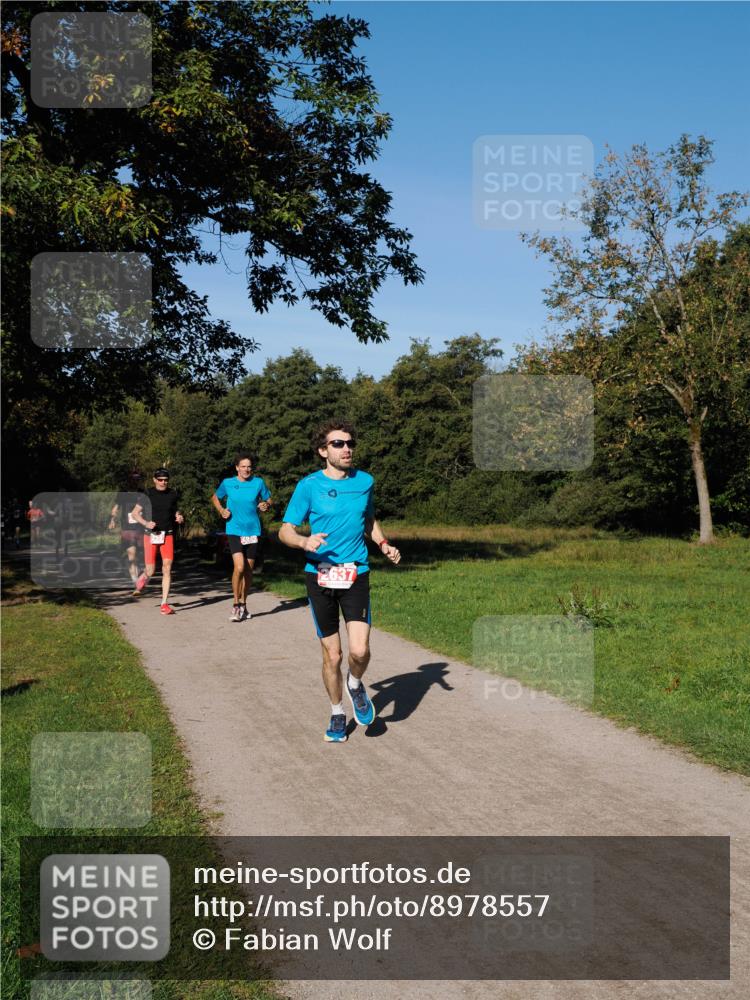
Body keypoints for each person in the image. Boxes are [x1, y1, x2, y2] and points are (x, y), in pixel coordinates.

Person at [279, 420, 400, 743]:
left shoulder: (365, 481)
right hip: (320, 575)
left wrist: (384, 544)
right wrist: (303, 542)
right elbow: (285, 530)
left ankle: (356, 684)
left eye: (349, 443)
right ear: (323, 451)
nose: (346, 449)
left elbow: (369, 519)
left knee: (359, 651)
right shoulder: (308, 486)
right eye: (338, 444)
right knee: (332, 655)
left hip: (356, 572)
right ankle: (336, 713)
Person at [211, 452, 273, 622]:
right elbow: (215, 497)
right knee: (239, 567)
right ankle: (236, 604)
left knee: (248, 570)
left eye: (249, 467)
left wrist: (265, 504)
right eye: (243, 466)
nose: (246, 469)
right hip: (234, 529)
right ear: (237, 468)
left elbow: (269, 499)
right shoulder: (228, 483)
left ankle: (244, 604)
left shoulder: (258, 483)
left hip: (253, 531)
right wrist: (222, 510)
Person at [131, 468, 184, 615]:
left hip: (168, 534)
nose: (163, 482)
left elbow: (175, 511)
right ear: (154, 480)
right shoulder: (147, 494)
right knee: (151, 570)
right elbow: (135, 514)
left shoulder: (173, 494)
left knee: (167, 568)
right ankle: (140, 582)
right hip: (151, 535)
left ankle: (164, 603)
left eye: (166, 480)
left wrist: (179, 517)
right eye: (160, 480)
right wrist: (146, 523)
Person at [108, 472, 146, 593]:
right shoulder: (123, 493)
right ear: (129, 480)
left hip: (141, 527)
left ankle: (140, 575)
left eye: (137, 479)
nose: (135, 481)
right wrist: (112, 519)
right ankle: (136, 584)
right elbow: (115, 508)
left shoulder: (143, 492)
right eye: (133, 479)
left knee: (141, 556)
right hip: (127, 527)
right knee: (132, 555)